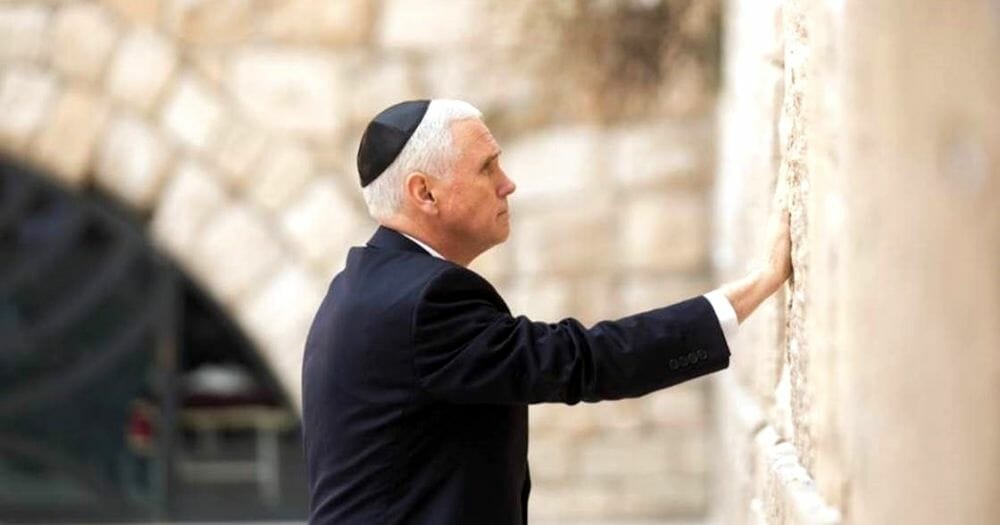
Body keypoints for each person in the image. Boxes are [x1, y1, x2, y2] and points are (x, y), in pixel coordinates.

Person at [302, 99, 792, 524]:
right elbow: (581, 361)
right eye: (486, 168)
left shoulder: (362, 289)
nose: (507, 184)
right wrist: (757, 285)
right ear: (424, 193)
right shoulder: (425, 303)